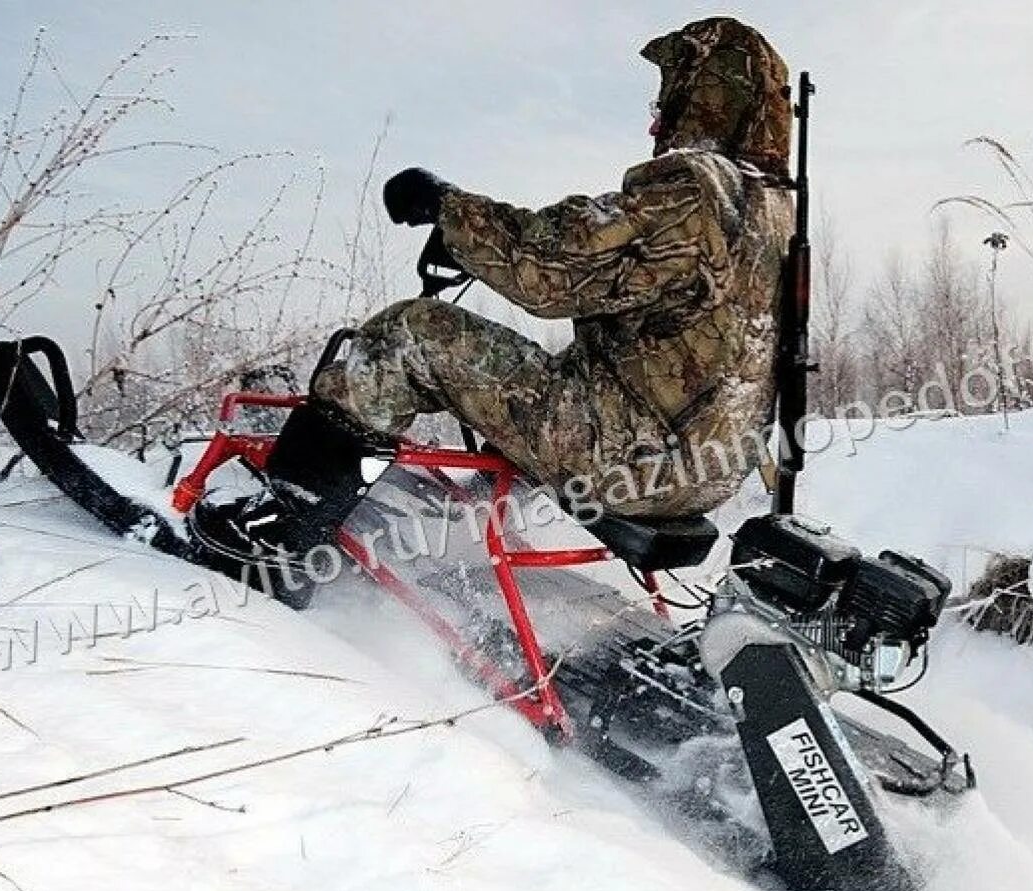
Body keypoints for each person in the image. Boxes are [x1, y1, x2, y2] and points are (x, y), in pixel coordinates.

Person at [193, 16, 795, 574]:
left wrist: (447, 207)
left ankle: (272, 541)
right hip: (707, 469)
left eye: (671, 90)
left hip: (623, 453)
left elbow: (552, 267)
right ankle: (455, 528)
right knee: (539, 373)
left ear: (704, 92)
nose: (657, 116)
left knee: (409, 337)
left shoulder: (696, 187)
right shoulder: (776, 209)